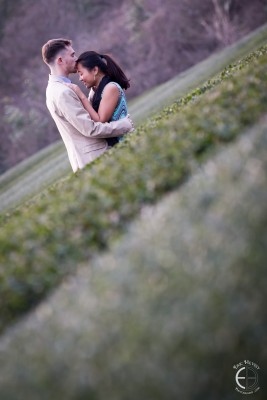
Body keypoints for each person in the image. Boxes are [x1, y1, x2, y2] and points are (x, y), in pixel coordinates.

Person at [41, 38, 133, 173]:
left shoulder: (56, 89)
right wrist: (123, 125)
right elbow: (90, 129)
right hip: (95, 160)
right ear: (60, 60)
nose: (76, 58)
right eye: (72, 55)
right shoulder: (62, 92)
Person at [64, 51, 130, 148]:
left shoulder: (111, 88)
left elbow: (100, 120)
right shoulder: (96, 91)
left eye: (81, 73)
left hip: (123, 145)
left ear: (95, 70)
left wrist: (81, 96)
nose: (80, 79)